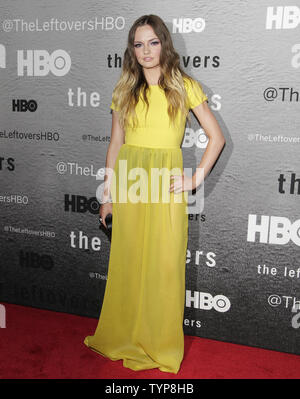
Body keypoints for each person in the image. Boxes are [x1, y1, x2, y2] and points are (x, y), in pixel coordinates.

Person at [84, 14, 225, 374]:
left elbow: (217, 137)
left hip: (164, 182)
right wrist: (107, 195)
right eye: (138, 44)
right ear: (131, 50)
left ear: (164, 43)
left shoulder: (184, 85)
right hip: (129, 179)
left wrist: (195, 179)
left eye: (153, 42)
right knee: (129, 262)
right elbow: (116, 144)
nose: (146, 50)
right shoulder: (123, 88)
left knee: (164, 264)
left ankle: (160, 344)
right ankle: (123, 335)